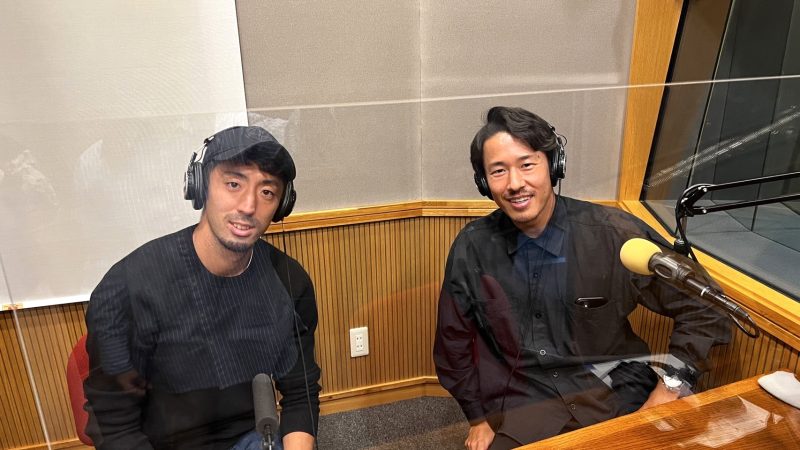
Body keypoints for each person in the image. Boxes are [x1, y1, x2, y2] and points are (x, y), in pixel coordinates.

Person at [433, 107, 730, 449]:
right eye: (498, 171)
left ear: (553, 165)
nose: (514, 184)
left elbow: (708, 308)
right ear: (484, 183)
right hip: (526, 401)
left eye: (527, 165)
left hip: (615, 393)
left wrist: (670, 388)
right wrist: (477, 419)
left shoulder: (614, 234)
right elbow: (452, 341)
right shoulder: (473, 247)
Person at [84, 126, 321, 450]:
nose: (248, 205)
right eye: (233, 184)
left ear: (282, 205)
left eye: (267, 192)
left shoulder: (289, 281)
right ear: (200, 186)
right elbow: (116, 428)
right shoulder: (129, 288)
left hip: (251, 438)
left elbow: (300, 394)